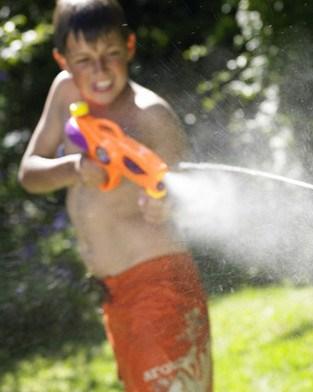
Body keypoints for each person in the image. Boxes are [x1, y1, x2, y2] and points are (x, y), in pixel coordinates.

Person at [18, 0, 212, 390]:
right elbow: (29, 174)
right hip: (116, 294)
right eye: (84, 59)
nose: (100, 70)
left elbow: (181, 197)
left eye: (110, 55)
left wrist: (164, 207)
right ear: (63, 60)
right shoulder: (64, 93)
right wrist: (74, 169)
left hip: (160, 287)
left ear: (130, 46)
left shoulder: (150, 115)